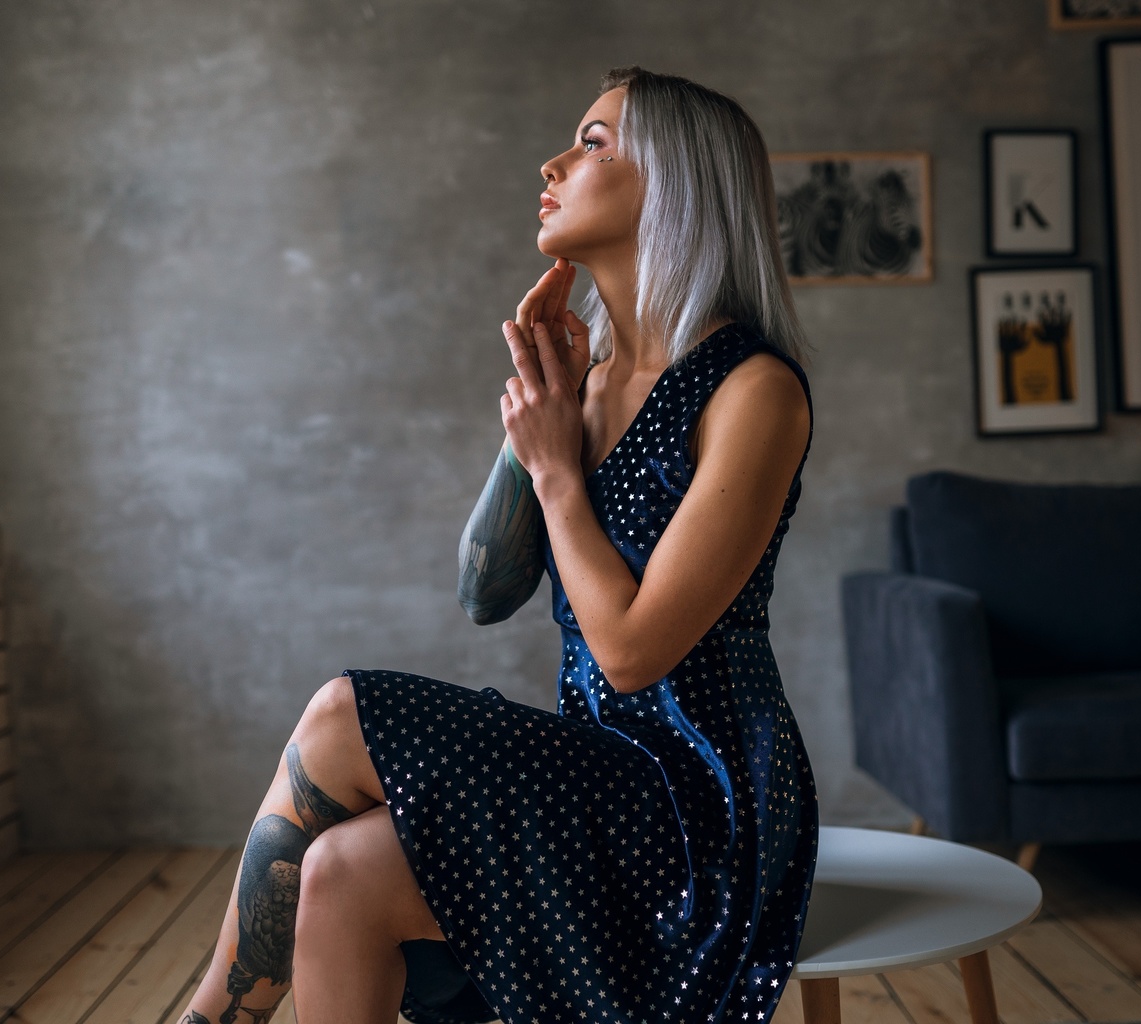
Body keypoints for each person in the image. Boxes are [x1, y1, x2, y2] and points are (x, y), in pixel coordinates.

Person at [177, 65, 817, 1024]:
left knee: (342, 710)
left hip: (697, 814)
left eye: (595, 144)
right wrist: (536, 415)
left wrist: (560, 470)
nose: (555, 162)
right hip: (593, 769)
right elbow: (485, 591)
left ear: (677, 186)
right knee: (339, 869)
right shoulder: (588, 383)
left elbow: (634, 654)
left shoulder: (753, 390)